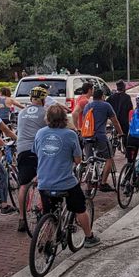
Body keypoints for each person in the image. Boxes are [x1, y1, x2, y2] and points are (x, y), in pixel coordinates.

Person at [34, 103, 99, 247]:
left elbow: (37, 152)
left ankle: (47, 239)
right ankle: (89, 237)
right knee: (80, 208)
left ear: (47, 118)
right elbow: (78, 160)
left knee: (49, 211)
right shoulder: (70, 134)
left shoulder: (40, 133)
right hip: (65, 182)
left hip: (44, 182)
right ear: (65, 118)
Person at [16, 87, 48, 232]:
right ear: (43, 99)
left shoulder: (21, 113)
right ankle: (44, 211)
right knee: (43, 181)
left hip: (22, 150)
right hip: (39, 151)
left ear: (31, 99)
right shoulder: (45, 112)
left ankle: (22, 218)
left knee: (23, 185)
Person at [79, 87, 122, 191]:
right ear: (102, 96)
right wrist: (121, 133)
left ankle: (89, 187)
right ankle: (103, 183)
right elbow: (115, 121)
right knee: (109, 158)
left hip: (87, 136)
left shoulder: (88, 106)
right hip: (100, 136)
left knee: (89, 160)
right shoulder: (106, 105)